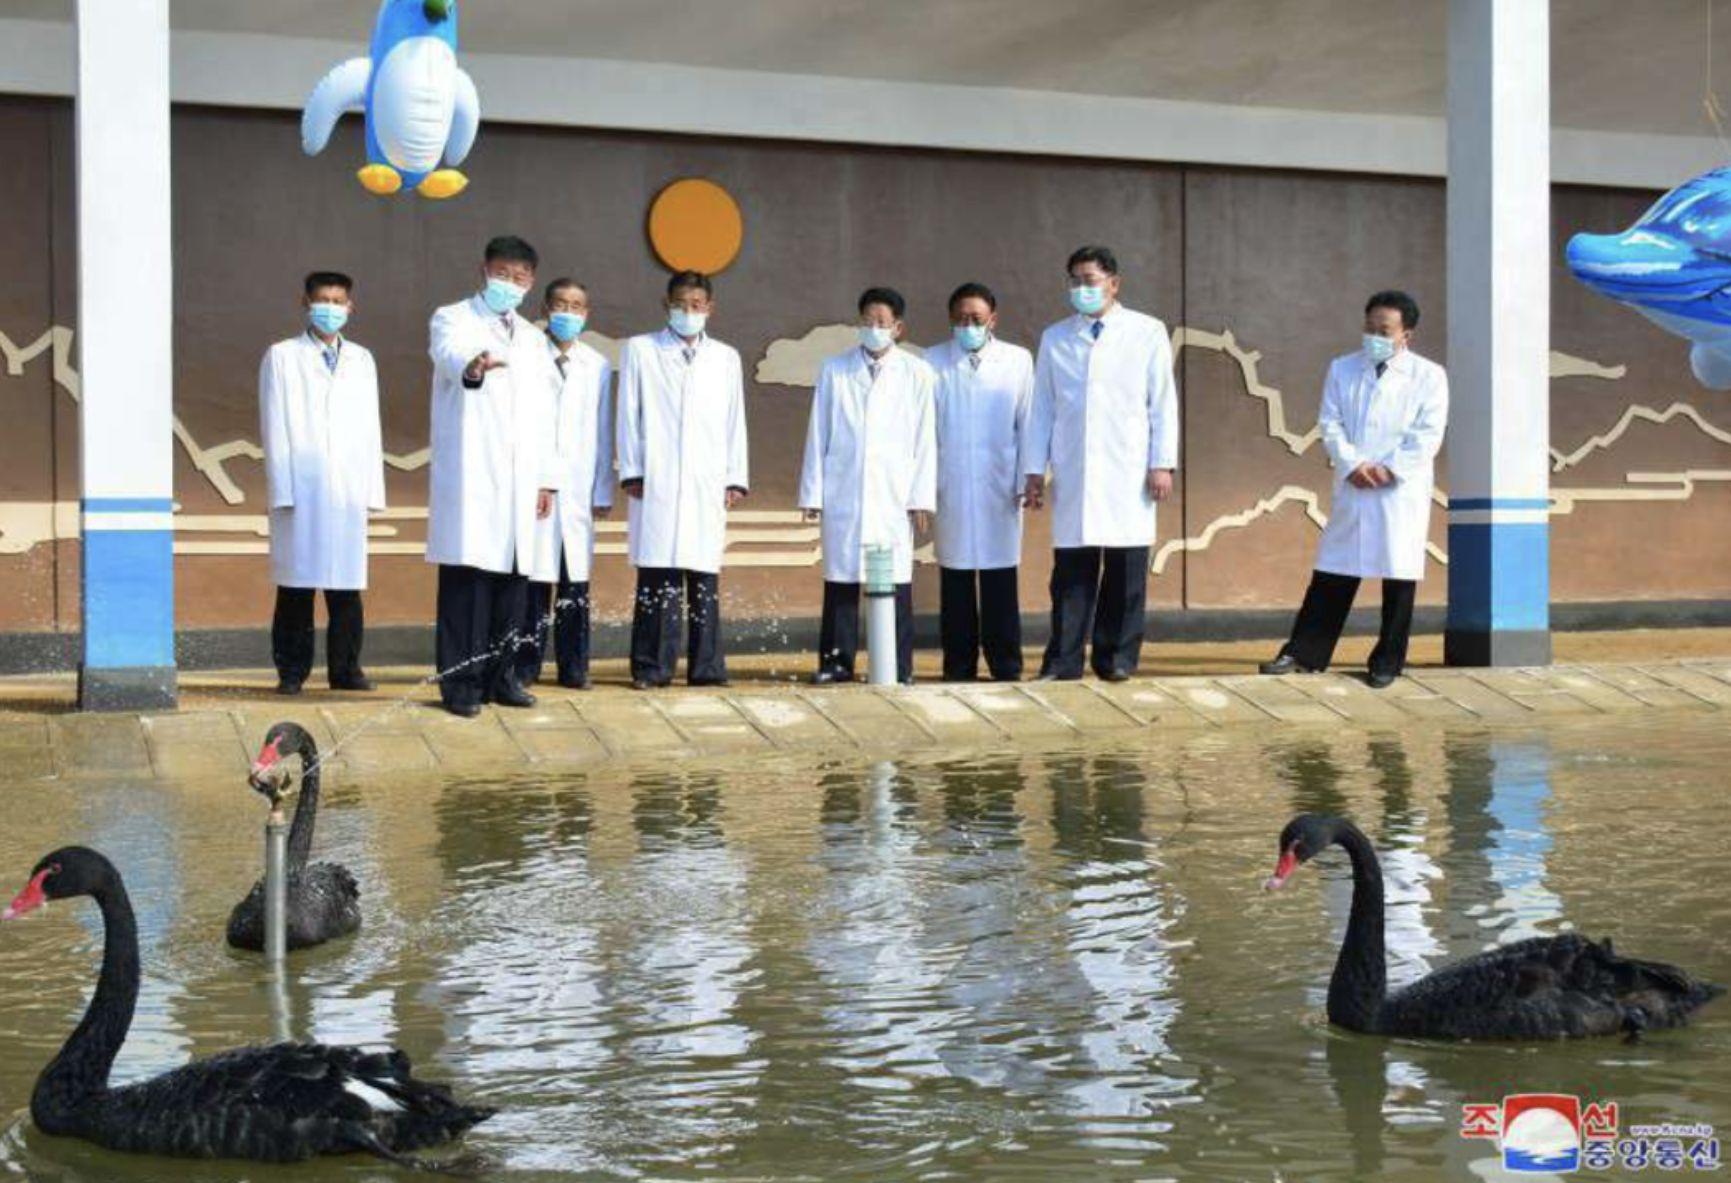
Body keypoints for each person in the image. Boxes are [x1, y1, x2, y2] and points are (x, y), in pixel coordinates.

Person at [1260, 290, 1448, 688]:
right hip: (1354, 481)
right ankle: (1303, 653)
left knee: (1398, 574)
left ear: (1406, 336)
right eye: (1369, 327)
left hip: (1399, 490)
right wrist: (1352, 464)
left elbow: (1428, 434)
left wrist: (1389, 470)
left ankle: (1387, 659)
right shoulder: (1342, 368)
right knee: (1334, 569)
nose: (1374, 336)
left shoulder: (1429, 376)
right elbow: (1330, 422)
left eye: (1384, 330)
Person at [1022, 245, 1179, 682]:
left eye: (1089, 280)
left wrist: (1162, 462)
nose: (1081, 289)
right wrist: (1034, 469)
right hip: (1076, 469)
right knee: (1072, 574)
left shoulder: (1146, 331)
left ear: (1114, 283)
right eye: (1074, 281)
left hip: (1129, 467)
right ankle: (1063, 661)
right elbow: (1043, 409)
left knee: (1126, 574)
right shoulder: (1056, 337)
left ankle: (1117, 659)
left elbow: (1162, 402)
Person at [426, 235, 561, 718]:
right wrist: (474, 365)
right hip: (473, 477)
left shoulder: (531, 338)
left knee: (512, 587)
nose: (510, 284)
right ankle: (461, 686)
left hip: (522, 479)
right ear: (484, 270)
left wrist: (547, 478)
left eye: (520, 277)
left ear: (531, 282)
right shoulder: (454, 318)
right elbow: (450, 354)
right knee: (468, 585)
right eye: (502, 274)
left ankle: (503, 678)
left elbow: (545, 412)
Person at [616, 270, 749, 689]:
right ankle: (652, 667)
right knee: (658, 573)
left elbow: (734, 420)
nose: (688, 312)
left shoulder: (726, 357)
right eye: (680, 305)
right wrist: (633, 469)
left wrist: (734, 477)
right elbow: (628, 411)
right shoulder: (641, 350)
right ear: (666, 305)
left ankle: (707, 667)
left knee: (704, 576)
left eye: (696, 305)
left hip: (706, 480)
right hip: (655, 476)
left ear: (709, 308)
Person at [798, 286, 937, 685]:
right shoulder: (834, 369)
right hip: (845, 488)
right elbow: (818, 431)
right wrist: (813, 491)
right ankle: (836, 663)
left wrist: (920, 496)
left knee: (892, 579)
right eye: (867, 321)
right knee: (841, 579)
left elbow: (925, 439)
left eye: (882, 322)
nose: (874, 328)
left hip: (894, 492)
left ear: (898, 327)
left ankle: (896, 665)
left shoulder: (917, 372)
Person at [259, 270, 386, 696]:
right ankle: (292, 671)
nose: (331, 308)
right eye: (323, 300)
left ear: (351, 306)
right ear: (306, 303)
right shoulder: (281, 356)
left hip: (347, 487)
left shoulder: (363, 359)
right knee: (296, 586)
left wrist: (371, 489)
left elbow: (371, 427)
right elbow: (274, 423)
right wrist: (282, 488)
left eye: (338, 301)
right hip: (303, 485)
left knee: (345, 586)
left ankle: (346, 669)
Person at [928, 281, 1034, 681]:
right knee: (954, 579)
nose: (968, 325)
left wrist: (1029, 477)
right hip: (951, 482)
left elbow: (1029, 423)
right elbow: (923, 431)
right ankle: (959, 665)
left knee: (999, 580)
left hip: (1000, 485)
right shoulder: (932, 362)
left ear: (993, 319)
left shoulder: (1018, 360)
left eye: (975, 318)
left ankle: (1006, 664)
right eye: (960, 319)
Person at [516, 278, 613, 691]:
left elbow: (602, 429)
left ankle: (575, 667)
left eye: (576, 306)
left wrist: (603, 489)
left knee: (574, 582)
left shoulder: (597, 364)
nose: (568, 313)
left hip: (577, 488)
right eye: (561, 304)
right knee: (533, 583)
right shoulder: (526, 356)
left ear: (586, 314)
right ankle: (524, 666)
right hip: (535, 485)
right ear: (545, 307)